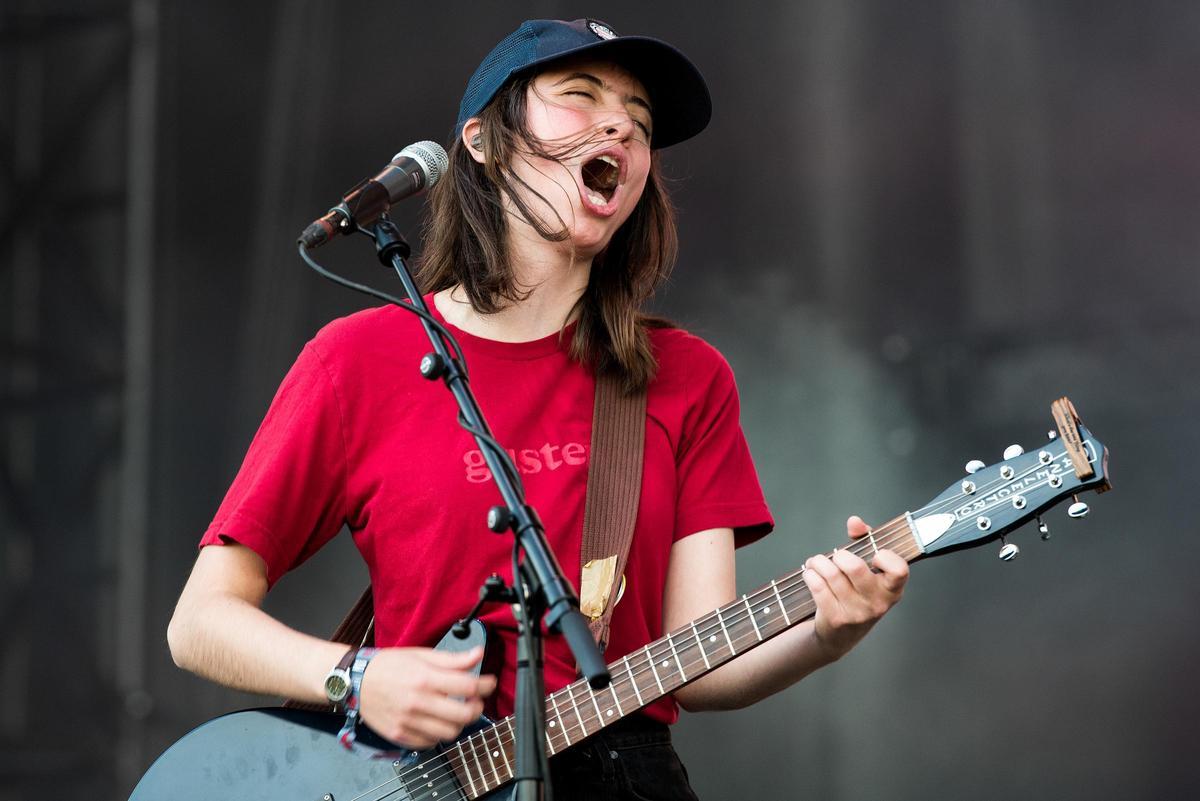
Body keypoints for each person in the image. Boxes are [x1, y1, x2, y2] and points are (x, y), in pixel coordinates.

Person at [167, 17, 909, 800]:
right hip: (417, 776)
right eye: (580, 96)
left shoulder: (685, 376)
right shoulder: (356, 360)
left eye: (640, 122)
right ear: (483, 142)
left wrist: (831, 632)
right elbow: (200, 622)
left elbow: (700, 661)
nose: (619, 124)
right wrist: (356, 678)